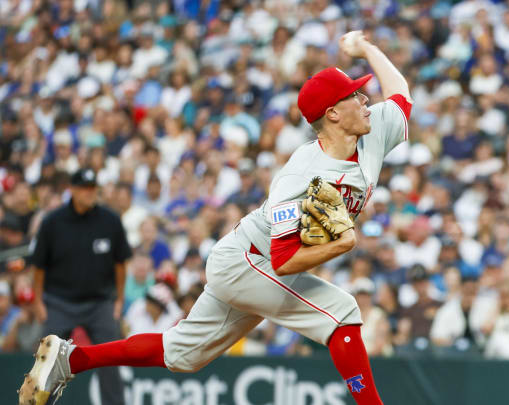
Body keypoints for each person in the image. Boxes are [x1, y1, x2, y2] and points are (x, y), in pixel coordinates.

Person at [19, 31, 412, 405]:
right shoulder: (298, 178)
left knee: (183, 355)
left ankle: (71, 360)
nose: (364, 98)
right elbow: (284, 259)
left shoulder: (371, 130)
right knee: (342, 312)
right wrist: (342, 245)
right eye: (353, 95)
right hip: (250, 260)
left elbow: (402, 97)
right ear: (333, 114)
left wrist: (367, 48)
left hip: (256, 265)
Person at [26, 168, 131, 405]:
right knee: (47, 362)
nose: (89, 193)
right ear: (72, 190)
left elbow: (120, 263)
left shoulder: (110, 220)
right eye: (84, 188)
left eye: (93, 188)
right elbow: (39, 266)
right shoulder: (52, 222)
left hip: (100, 302)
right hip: (59, 301)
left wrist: (119, 300)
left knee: (111, 360)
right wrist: (38, 302)